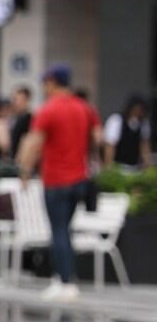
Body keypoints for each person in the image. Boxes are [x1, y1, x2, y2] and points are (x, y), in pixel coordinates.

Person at [18, 64, 102, 302]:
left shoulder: (48, 110)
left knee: (58, 230)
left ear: (52, 82)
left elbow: (33, 143)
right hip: (80, 179)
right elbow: (98, 138)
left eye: (45, 82)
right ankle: (64, 277)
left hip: (56, 179)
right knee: (66, 229)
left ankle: (65, 281)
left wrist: (24, 171)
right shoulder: (85, 108)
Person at [103, 95, 152, 169]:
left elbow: (144, 146)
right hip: (118, 167)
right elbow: (110, 146)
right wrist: (108, 166)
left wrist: (147, 165)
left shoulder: (143, 123)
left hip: (135, 167)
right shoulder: (116, 120)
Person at [9, 85, 33, 157]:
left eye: (19, 100)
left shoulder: (29, 119)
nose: (16, 103)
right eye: (14, 100)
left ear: (27, 100)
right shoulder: (13, 119)